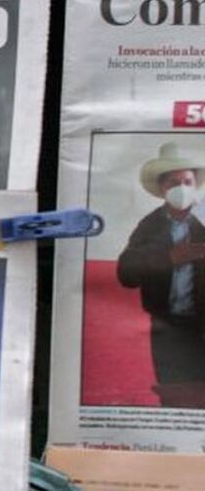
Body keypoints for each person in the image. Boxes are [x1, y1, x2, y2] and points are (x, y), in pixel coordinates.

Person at [117, 141, 205, 407]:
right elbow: (126, 275)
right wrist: (167, 258)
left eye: (187, 181)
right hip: (166, 328)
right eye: (174, 183)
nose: (182, 189)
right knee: (173, 397)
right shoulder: (150, 225)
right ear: (162, 189)